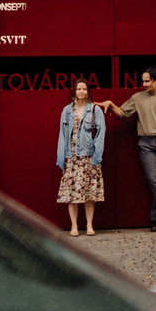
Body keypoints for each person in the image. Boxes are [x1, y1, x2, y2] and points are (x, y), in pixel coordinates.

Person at [107, 69, 156, 232]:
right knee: (155, 179)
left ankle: (155, 219)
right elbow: (123, 113)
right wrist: (111, 105)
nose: (144, 85)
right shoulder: (138, 98)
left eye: (147, 81)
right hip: (146, 144)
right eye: (143, 81)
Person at [54, 78, 108, 236]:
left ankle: (90, 225)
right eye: (79, 89)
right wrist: (61, 158)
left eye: (84, 89)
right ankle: (74, 226)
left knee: (89, 194)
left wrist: (97, 157)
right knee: (72, 195)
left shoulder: (95, 110)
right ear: (74, 92)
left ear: (88, 91)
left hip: (88, 157)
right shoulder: (66, 111)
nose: (82, 92)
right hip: (72, 158)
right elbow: (62, 135)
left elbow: (100, 134)